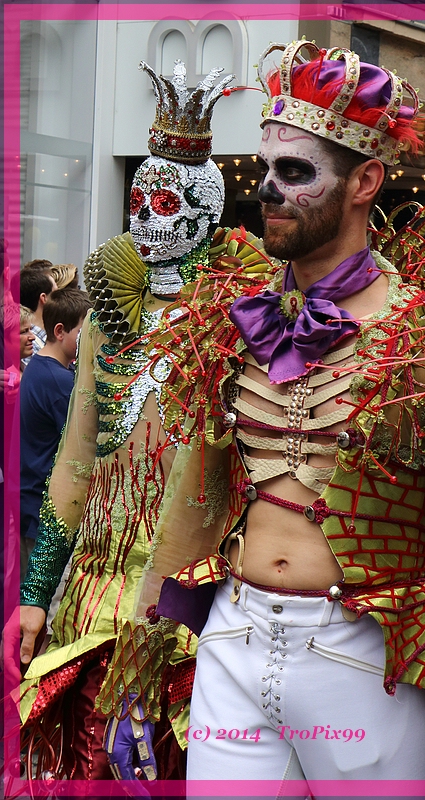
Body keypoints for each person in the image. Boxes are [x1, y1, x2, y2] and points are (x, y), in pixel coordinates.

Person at [105, 43, 425, 789]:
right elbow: (191, 503)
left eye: (295, 172)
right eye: (265, 169)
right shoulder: (228, 318)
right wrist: (141, 658)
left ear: (365, 180)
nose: (267, 190)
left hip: (364, 661)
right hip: (231, 643)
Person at [8, 59, 269, 781]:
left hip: (194, 596)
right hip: (90, 594)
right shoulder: (106, 316)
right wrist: (35, 595)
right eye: (137, 200)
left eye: (163, 204)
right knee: (86, 771)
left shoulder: (243, 318)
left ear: (203, 211)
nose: (145, 217)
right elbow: (74, 460)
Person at [19, 289, 92, 576]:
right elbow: (83, 445)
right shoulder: (59, 381)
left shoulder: (39, 367)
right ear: (60, 331)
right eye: (83, 334)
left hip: (31, 506)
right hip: (44, 513)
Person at [15, 266, 57, 364]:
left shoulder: (45, 337)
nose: (61, 300)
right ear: (44, 298)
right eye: (56, 294)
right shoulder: (30, 346)